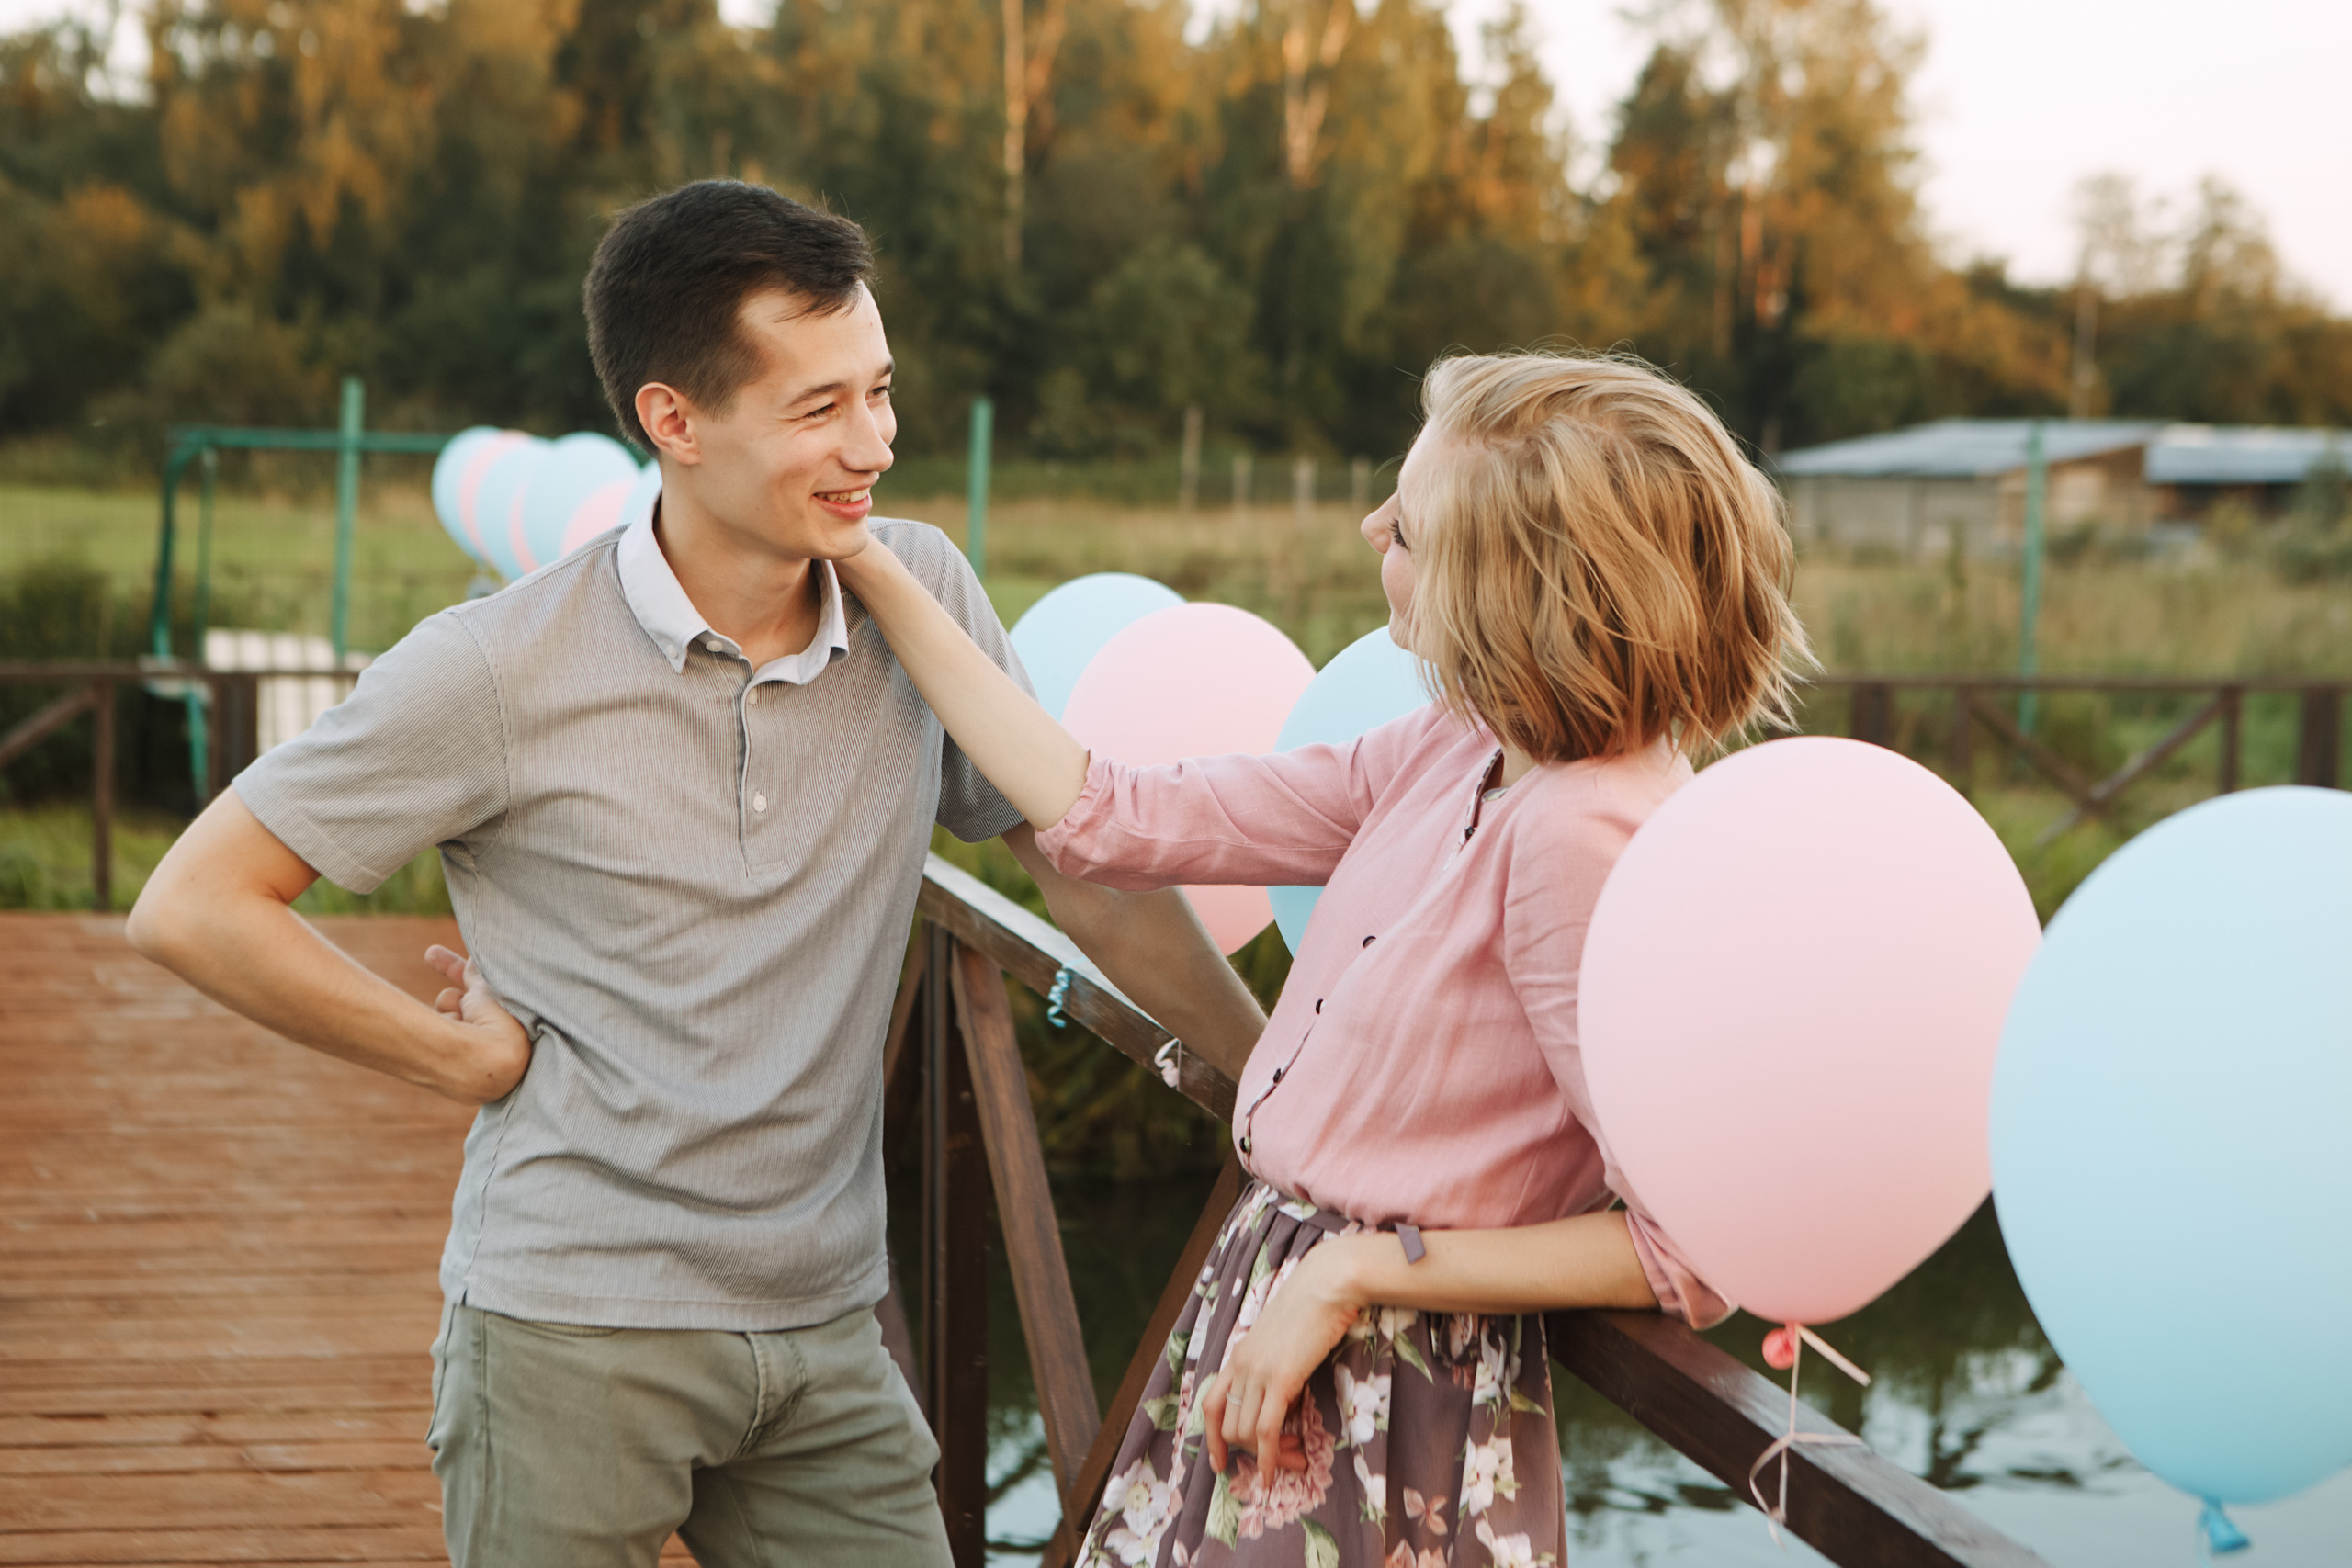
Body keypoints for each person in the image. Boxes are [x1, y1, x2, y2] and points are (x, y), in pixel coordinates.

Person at [125, 180, 1266, 1568]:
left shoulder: (921, 592)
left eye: (882, 392)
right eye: (820, 409)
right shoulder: (496, 666)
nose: (876, 444)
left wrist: (1278, 1093)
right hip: (568, 1329)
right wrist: (458, 1065)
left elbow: (1086, 876)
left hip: (830, 1329)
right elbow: (193, 903)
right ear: (675, 420)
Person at [833, 350, 1810, 1566]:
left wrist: (1354, 1273)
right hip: (1281, 1319)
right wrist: (872, 566)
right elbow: (1115, 815)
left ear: (1508, 578)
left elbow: (1694, 1254)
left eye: (1405, 522)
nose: (1369, 529)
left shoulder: (1582, 834)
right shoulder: (1461, 747)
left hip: (1389, 1404)